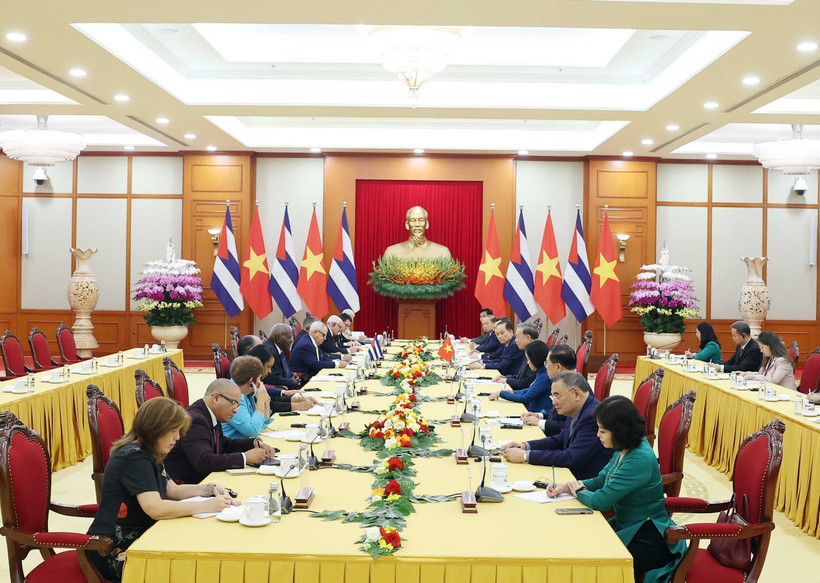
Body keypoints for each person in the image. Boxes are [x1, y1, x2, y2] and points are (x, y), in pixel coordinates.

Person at [87, 397, 238, 582]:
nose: (178, 437)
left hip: (142, 538)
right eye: (173, 431)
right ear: (155, 428)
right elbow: (155, 508)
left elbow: (171, 490)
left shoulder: (149, 451)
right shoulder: (134, 458)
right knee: (191, 567)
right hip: (114, 549)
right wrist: (206, 505)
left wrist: (208, 488)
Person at [547, 396, 685, 583]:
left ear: (619, 431)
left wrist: (576, 491)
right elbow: (600, 480)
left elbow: (600, 501)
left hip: (649, 535)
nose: (598, 435)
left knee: (596, 565)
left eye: (602, 431)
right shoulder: (625, 448)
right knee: (579, 545)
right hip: (627, 526)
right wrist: (566, 486)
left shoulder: (639, 458)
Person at [501, 371, 611, 479]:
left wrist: (525, 455)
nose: (554, 402)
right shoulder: (578, 408)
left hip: (586, 482)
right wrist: (525, 446)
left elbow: (571, 457)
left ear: (576, 394)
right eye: (552, 397)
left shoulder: (592, 416)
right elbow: (560, 439)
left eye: (557, 396)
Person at [164, 379, 275, 484]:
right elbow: (204, 461)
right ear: (216, 398)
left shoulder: (209, 413)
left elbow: (223, 443)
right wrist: (245, 457)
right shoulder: (195, 420)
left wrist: (252, 443)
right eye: (234, 403)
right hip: (185, 485)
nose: (236, 410)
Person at [521, 344, 576, 436]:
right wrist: (539, 416)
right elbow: (558, 417)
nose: (545, 367)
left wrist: (539, 422)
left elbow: (566, 427)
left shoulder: (574, 388)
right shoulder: (565, 381)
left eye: (547, 363)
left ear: (558, 367)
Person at [248, 345, 316, 412]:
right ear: (259, 364)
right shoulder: (248, 386)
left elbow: (272, 399)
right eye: (268, 367)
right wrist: (299, 406)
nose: (270, 371)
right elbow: (270, 405)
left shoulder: (255, 382)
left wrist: (298, 399)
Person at [221, 355, 274, 438]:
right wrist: (260, 400)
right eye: (259, 379)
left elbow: (262, 424)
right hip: (231, 447)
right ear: (251, 382)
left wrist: (266, 400)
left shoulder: (246, 393)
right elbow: (253, 430)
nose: (260, 383)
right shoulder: (234, 396)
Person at [489, 341, 550, 412]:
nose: (527, 362)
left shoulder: (545, 375)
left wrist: (501, 394)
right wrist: (514, 392)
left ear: (535, 359)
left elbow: (525, 398)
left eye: (528, 359)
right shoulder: (541, 371)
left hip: (535, 412)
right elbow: (531, 389)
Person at [383, 205, 452, 259]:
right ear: (407, 224)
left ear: (427, 224)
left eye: (421, 220)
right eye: (413, 220)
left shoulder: (442, 252)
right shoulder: (391, 252)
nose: (417, 225)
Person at [494, 324, 538, 390]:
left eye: (517, 337)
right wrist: (505, 377)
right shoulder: (528, 351)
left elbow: (527, 383)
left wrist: (507, 380)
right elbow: (520, 376)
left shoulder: (535, 354)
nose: (515, 340)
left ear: (528, 338)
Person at [262, 323, 298, 389]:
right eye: (289, 337)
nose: (291, 341)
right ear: (278, 338)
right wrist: (291, 381)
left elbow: (284, 372)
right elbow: (272, 378)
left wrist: (292, 376)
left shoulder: (280, 348)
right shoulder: (270, 351)